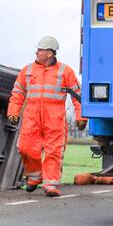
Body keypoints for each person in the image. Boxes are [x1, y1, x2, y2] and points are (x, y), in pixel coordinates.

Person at [7, 36, 86, 197]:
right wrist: (13, 111)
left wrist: (81, 117)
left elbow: (78, 96)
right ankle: (35, 176)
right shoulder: (27, 70)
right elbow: (17, 93)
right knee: (25, 147)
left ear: (50, 53)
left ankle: (50, 184)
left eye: (40, 49)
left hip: (54, 118)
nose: (37, 52)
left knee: (53, 151)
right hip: (31, 117)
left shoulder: (65, 71)